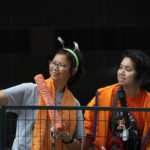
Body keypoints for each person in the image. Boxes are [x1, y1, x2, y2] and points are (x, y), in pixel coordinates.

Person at [0, 37, 86, 150]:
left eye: (61, 65)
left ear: (73, 70)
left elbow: (79, 147)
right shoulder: (29, 90)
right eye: (53, 63)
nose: (55, 68)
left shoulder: (74, 104)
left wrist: (66, 136)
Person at [82, 49, 150, 150]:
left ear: (141, 77)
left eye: (128, 69)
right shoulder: (103, 95)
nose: (121, 72)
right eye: (120, 67)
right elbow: (88, 128)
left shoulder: (147, 101)